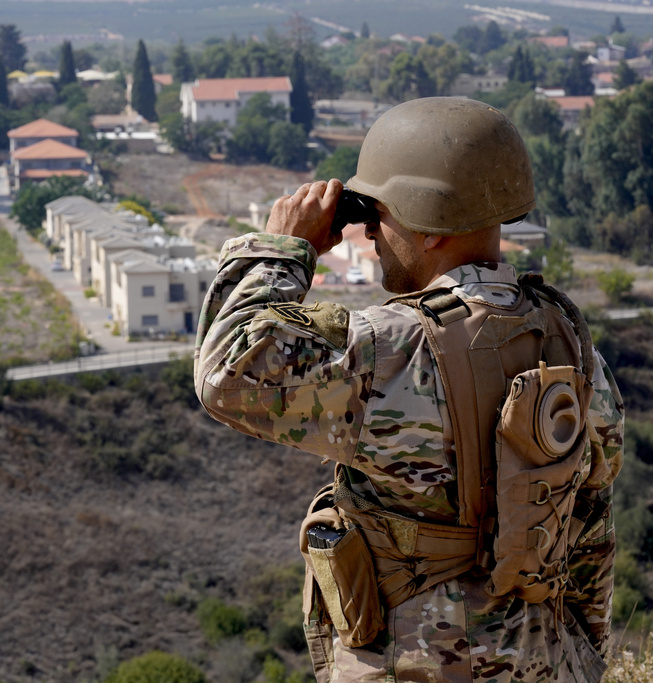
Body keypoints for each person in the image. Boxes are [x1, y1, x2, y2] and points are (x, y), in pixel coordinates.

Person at [193, 97, 624, 682]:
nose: (368, 229)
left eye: (377, 211)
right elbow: (592, 528)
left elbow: (226, 372)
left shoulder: (389, 353)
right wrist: (586, 658)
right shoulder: (574, 347)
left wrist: (282, 249)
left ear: (428, 226)